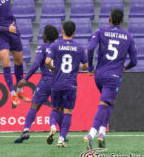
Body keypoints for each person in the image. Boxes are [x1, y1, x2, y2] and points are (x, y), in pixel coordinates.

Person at [84, 9, 137, 150]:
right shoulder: (128, 37)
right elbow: (135, 61)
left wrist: (90, 66)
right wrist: (126, 67)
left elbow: (90, 48)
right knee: (105, 103)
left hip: (99, 75)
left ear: (109, 19)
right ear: (122, 21)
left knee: (109, 102)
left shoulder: (100, 31)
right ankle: (92, 133)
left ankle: (102, 133)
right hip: (114, 76)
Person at [14, 25, 60, 143]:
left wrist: (26, 78)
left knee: (34, 106)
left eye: (44, 33)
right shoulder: (59, 47)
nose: (42, 35)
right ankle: (62, 133)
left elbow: (36, 64)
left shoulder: (43, 48)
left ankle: (26, 130)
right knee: (58, 108)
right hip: (59, 81)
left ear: (46, 35)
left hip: (46, 81)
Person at [45, 21, 88, 147]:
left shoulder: (55, 45)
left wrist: (53, 68)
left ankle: (53, 126)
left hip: (57, 83)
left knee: (55, 109)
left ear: (62, 31)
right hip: (71, 85)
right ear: (74, 33)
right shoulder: (79, 48)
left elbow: (47, 61)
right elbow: (86, 66)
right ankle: (61, 139)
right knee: (68, 112)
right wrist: (78, 66)